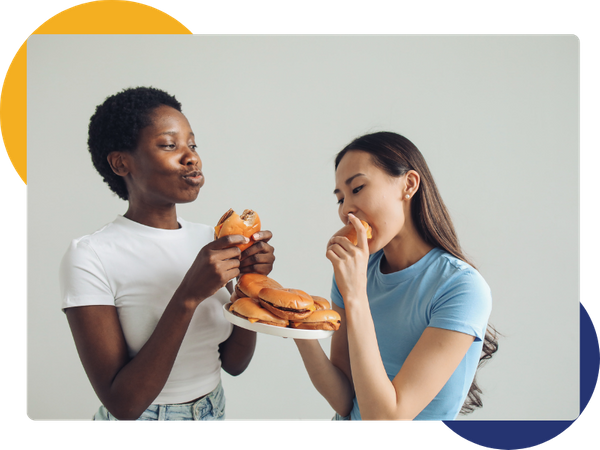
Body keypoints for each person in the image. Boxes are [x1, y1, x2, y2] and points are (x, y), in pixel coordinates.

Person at [59, 86, 275, 422]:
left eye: (192, 144)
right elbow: (124, 405)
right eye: (169, 145)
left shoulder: (209, 239)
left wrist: (251, 283)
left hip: (214, 409)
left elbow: (234, 363)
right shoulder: (90, 256)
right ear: (121, 163)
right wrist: (188, 296)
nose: (191, 156)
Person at [294, 131, 498, 422]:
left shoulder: (461, 288)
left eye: (357, 188)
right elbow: (343, 398)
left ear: (409, 185)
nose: (346, 209)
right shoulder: (356, 269)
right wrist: (295, 327)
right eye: (340, 199)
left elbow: (387, 418)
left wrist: (355, 295)